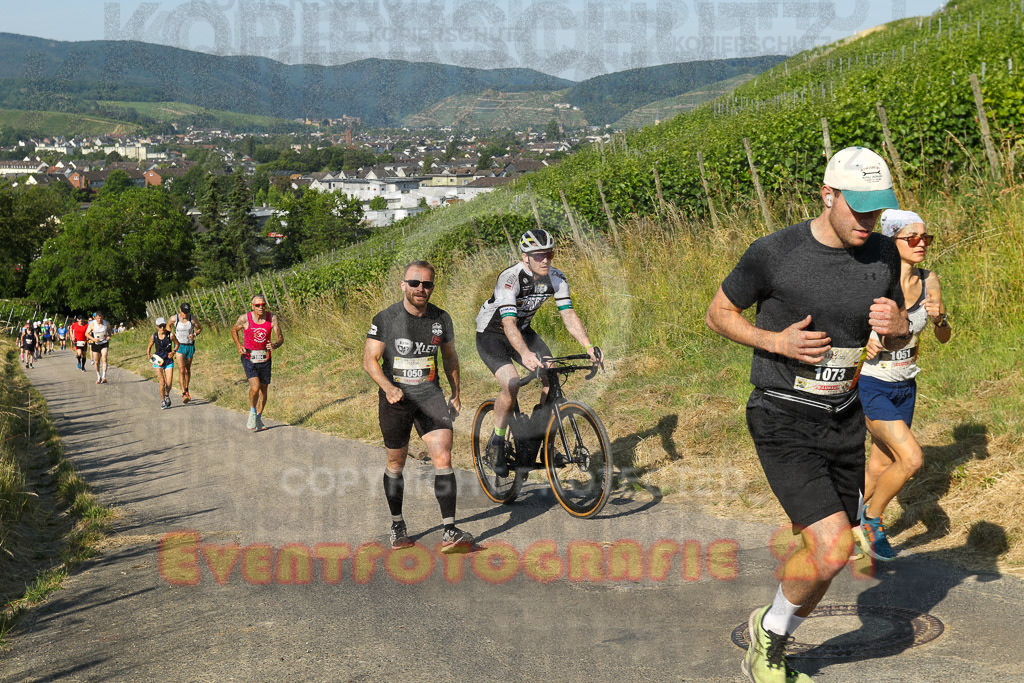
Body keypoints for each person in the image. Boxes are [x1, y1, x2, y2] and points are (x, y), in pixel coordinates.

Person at [705, 146, 911, 682]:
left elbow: (895, 334)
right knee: (833, 544)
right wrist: (775, 340)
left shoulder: (885, 255)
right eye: (859, 209)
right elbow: (718, 313)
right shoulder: (775, 253)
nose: (869, 221)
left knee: (830, 555)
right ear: (828, 195)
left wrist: (898, 326)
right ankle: (768, 647)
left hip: (843, 418)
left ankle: (768, 625)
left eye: (877, 210)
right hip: (781, 415)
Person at [855, 209, 952, 561]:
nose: (922, 243)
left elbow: (943, 337)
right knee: (911, 459)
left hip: (905, 386)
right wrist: (862, 343)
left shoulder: (930, 280)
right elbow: (845, 327)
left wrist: (940, 318)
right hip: (871, 384)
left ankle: (844, 527)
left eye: (927, 237)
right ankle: (872, 519)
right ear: (892, 241)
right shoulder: (873, 281)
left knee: (880, 466)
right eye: (913, 238)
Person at [363, 260, 473, 553]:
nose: (421, 289)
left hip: (430, 397)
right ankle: (398, 524)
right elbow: (369, 361)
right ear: (403, 285)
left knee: (443, 457)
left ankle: (450, 530)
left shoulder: (441, 318)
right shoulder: (386, 318)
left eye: (427, 284)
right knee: (396, 464)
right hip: (395, 400)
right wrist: (388, 388)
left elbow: (450, 357)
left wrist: (456, 393)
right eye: (415, 283)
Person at [474, 228, 602, 477]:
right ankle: (498, 443)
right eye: (538, 255)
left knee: (551, 374)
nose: (544, 259)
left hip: (523, 330)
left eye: (549, 254)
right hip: (493, 334)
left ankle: (535, 436)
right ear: (525, 257)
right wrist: (524, 354)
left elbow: (568, 315)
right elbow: (508, 323)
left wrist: (588, 347)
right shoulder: (510, 278)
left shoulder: (556, 277)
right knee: (511, 383)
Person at [231, 295, 283, 431]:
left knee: (264, 390)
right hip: (249, 356)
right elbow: (234, 330)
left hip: (265, 357)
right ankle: (252, 412)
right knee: (255, 387)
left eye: (263, 305)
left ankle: (258, 418)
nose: (261, 307)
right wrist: (238, 345)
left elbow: (280, 337)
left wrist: (275, 345)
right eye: (258, 305)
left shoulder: (272, 318)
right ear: (253, 306)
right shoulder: (244, 318)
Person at [167, 302, 202, 404]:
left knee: (187, 370)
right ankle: (183, 394)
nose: (185, 314)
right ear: (180, 310)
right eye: (184, 312)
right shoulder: (175, 318)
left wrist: (194, 334)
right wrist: (171, 335)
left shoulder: (192, 318)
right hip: (179, 346)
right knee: (181, 369)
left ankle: (186, 390)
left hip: (189, 346)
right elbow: (168, 325)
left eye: (187, 312)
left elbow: (200, 328)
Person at [147, 318, 177, 409]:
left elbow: (177, 344)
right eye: (160, 326)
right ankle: (163, 401)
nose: (162, 328)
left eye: (164, 326)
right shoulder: (154, 336)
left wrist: (173, 352)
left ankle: (167, 395)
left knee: (169, 383)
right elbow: (149, 346)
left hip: (168, 361)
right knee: (162, 383)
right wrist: (148, 354)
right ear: (157, 327)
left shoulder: (170, 335)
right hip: (158, 360)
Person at [86, 311, 112, 384]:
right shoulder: (92, 324)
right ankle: (98, 377)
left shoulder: (106, 323)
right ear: (95, 318)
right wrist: (93, 339)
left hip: (104, 343)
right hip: (96, 343)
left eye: (100, 318)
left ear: (102, 317)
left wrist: (109, 336)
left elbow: (110, 331)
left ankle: (104, 376)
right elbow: (86, 334)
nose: (99, 320)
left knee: (104, 358)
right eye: (98, 318)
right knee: (97, 361)